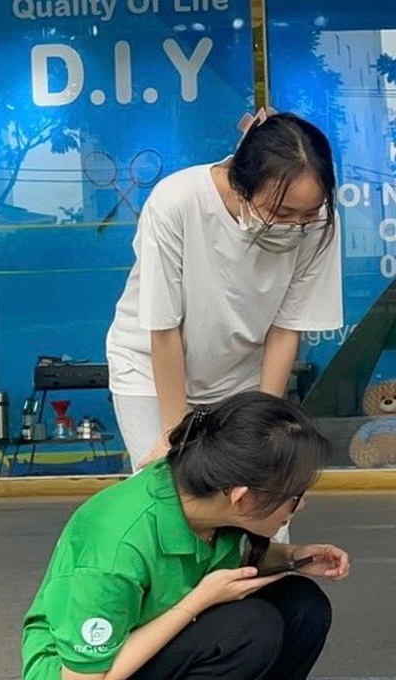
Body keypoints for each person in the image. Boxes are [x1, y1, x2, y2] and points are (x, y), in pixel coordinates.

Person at [21, 392, 350, 680]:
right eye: (295, 496)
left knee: (301, 606)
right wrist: (197, 602)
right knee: (249, 628)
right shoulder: (117, 543)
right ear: (241, 497)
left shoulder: (202, 491)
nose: (301, 505)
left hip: (155, 640)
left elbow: (223, 554)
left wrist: (293, 555)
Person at [106, 110, 342, 470]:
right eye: (282, 213)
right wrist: (175, 433)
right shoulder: (176, 202)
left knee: (258, 492)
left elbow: (286, 328)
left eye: (307, 215)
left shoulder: (320, 224)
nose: (297, 226)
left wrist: (264, 423)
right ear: (241, 183)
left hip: (241, 375)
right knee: (169, 490)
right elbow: (164, 326)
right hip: (150, 369)